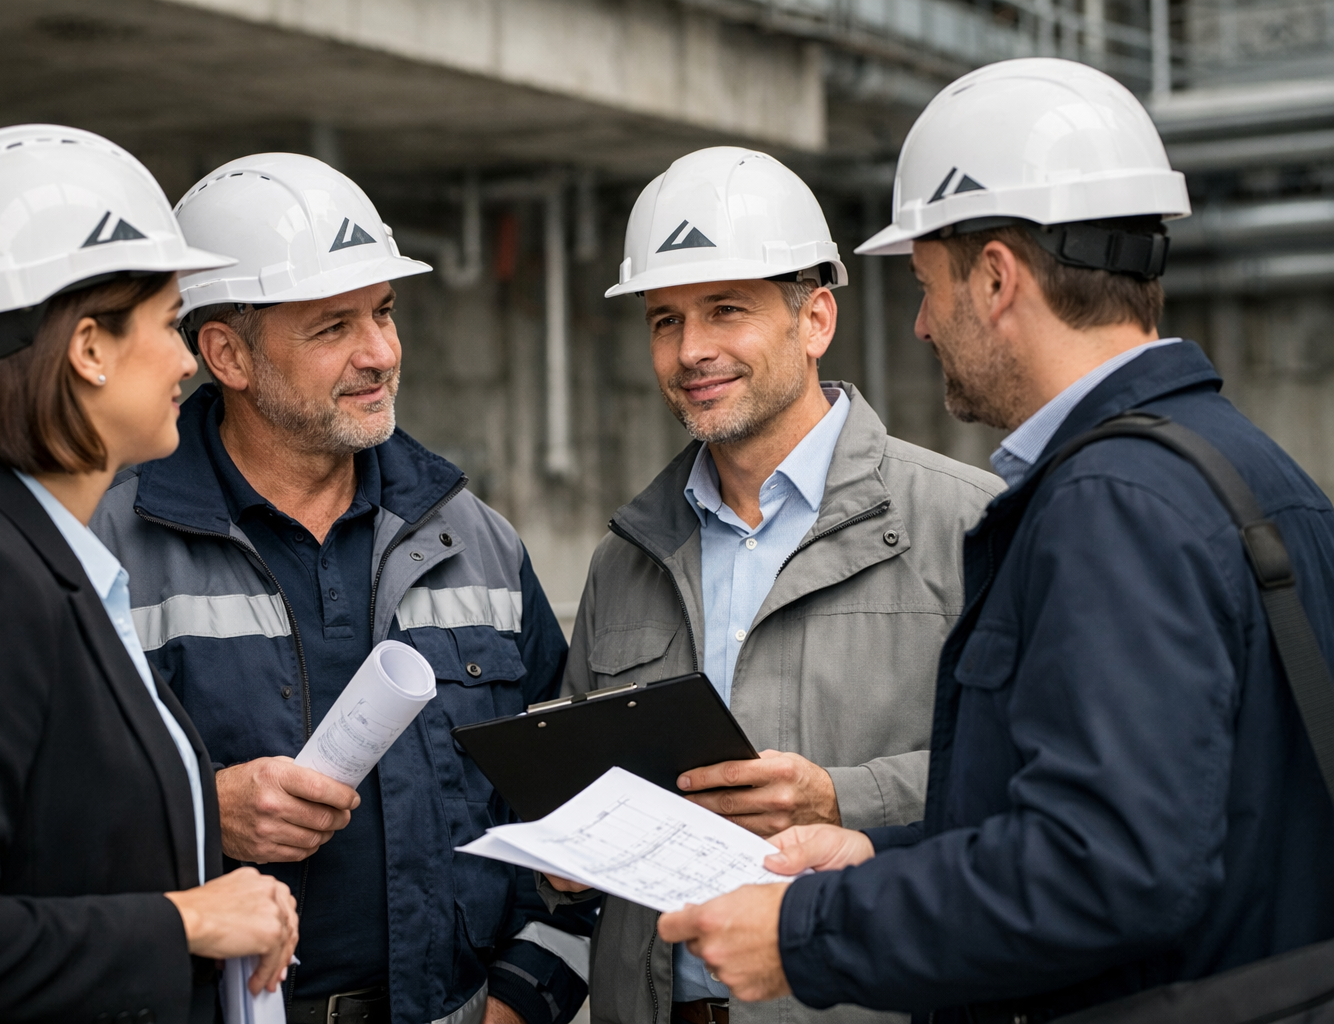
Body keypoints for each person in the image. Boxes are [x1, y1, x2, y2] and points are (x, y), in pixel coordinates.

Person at [657, 58, 1334, 1022]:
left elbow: (1104, 869)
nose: (922, 325)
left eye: (927, 285)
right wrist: (876, 853)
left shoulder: (1112, 504)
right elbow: (1176, 823)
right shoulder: (1249, 470)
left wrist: (807, 932)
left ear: (996, 277)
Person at [91, 153, 594, 1024]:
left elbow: (577, 805)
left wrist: (523, 999)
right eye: (333, 327)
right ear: (227, 354)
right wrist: (200, 813)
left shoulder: (475, 539)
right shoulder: (110, 551)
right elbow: (41, 831)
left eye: (384, 312)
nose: (381, 354)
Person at [0, 125, 300, 1024]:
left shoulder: (48, 562)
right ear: (89, 349)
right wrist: (187, 922)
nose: (186, 359)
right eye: (168, 323)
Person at [537, 146, 1003, 1024]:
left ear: (815, 319)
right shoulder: (628, 556)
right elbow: (581, 799)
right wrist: (566, 850)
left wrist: (845, 799)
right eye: (665, 320)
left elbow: (1030, 788)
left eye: (726, 310)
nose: (692, 350)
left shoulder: (966, 524)